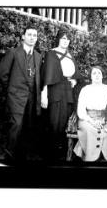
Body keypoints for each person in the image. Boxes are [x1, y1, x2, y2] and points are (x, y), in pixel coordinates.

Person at [0, 25, 42, 163]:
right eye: (29, 34)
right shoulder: (13, 53)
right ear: (23, 36)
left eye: (34, 35)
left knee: (27, 128)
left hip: (32, 98)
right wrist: (12, 90)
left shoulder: (38, 56)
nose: (32, 37)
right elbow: (2, 74)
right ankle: (9, 157)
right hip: (15, 97)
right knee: (15, 126)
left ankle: (21, 159)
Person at [40, 29, 82, 162]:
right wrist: (44, 94)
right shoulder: (51, 54)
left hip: (68, 93)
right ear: (58, 39)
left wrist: (74, 80)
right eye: (63, 38)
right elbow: (46, 75)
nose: (65, 41)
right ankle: (50, 156)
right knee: (54, 123)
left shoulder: (70, 55)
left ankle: (60, 155)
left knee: (64, 124)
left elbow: (76, 75)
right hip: (55, 92)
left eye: (67, 39)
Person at [73, 66, 107, 162]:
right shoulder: (85, 89)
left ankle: (103, 157)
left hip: (104, 118)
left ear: (102, 75)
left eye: (99, 73)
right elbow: (81, 111)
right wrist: (91, 121)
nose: (97, 75)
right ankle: (91, 158)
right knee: (90, 129)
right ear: (90, 76)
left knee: (106, 130)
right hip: (87, 118)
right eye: (94, 73)